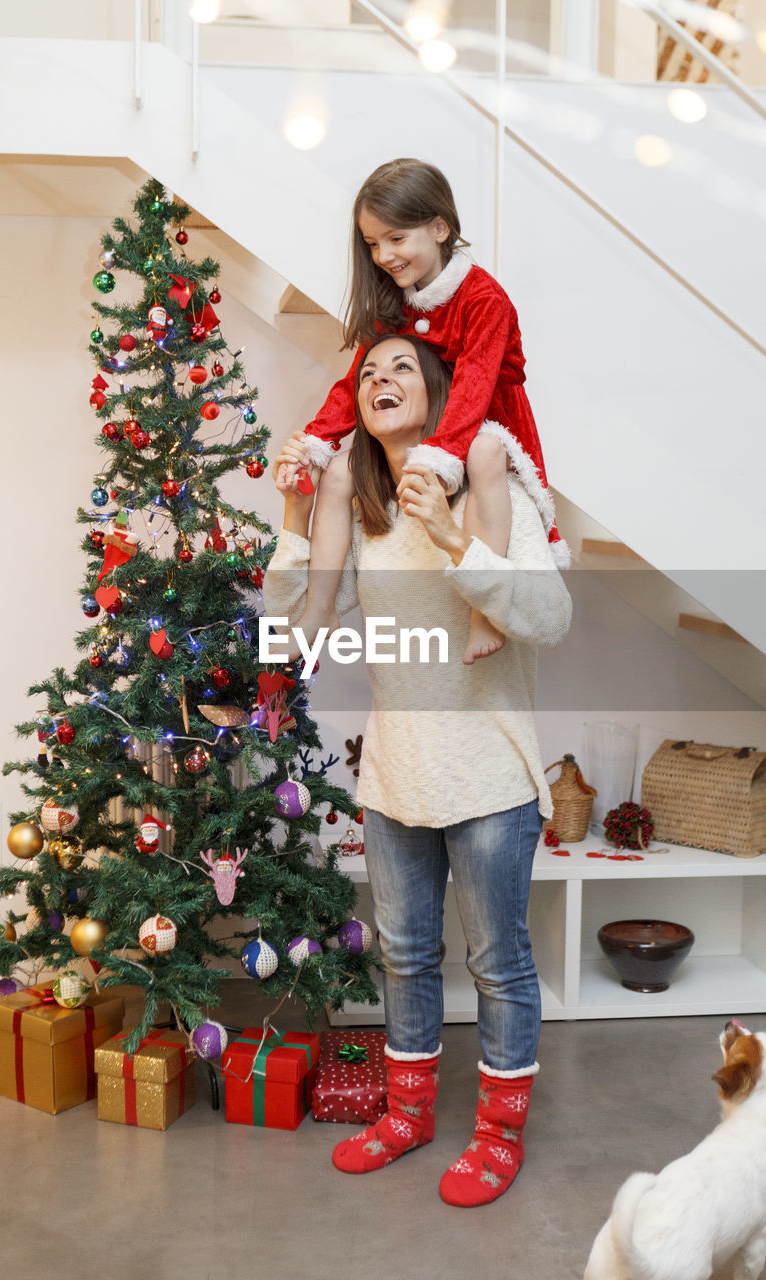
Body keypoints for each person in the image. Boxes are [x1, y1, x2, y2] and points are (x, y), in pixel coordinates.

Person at [265, 334, 572, 1208]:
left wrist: (450, 536)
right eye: (367, 372)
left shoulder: (492, 485)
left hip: (487, 775)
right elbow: (299, 632)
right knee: (404, 955)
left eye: (401, 367)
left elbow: (548, 615)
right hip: (395, 774)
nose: (379, 380)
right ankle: (405, 1116)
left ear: (441, 389)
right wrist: (292, 514)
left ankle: (497, 1135)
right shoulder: (359, 508)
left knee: (496, 961)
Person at [279, 157, 568, 667]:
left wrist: (437, 459)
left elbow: (474, 388)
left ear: (440, 228)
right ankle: (322, 609)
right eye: (371, 244)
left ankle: (484, 608)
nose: (383, 255)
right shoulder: (395, 301)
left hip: (486, 423)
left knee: (481, 452)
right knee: (343, 466)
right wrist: (317, 442)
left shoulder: (484, 299)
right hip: (440, 433)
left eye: (395, 238)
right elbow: (353, 383)